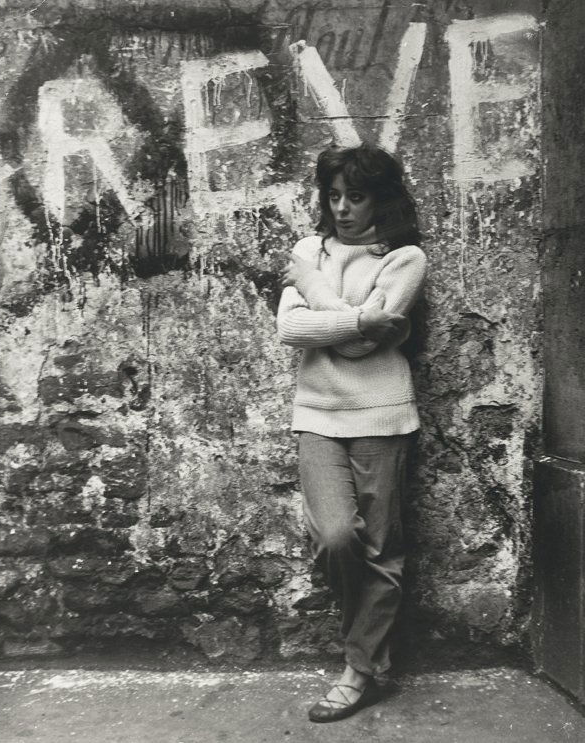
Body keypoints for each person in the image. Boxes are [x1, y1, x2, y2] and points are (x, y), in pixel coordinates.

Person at [277, 143, 427, 723]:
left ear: (380, 199)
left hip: (382, 415)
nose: (341, 208)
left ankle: (359, 670)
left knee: (382, 547)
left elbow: (361, 346)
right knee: (336, 537)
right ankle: (369, 651)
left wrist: (319, 293)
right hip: (318, 413)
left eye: (355, 196)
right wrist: (361, 317)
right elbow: (291, 329)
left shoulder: (405, 259)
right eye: (334, 196)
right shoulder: (307, 250)